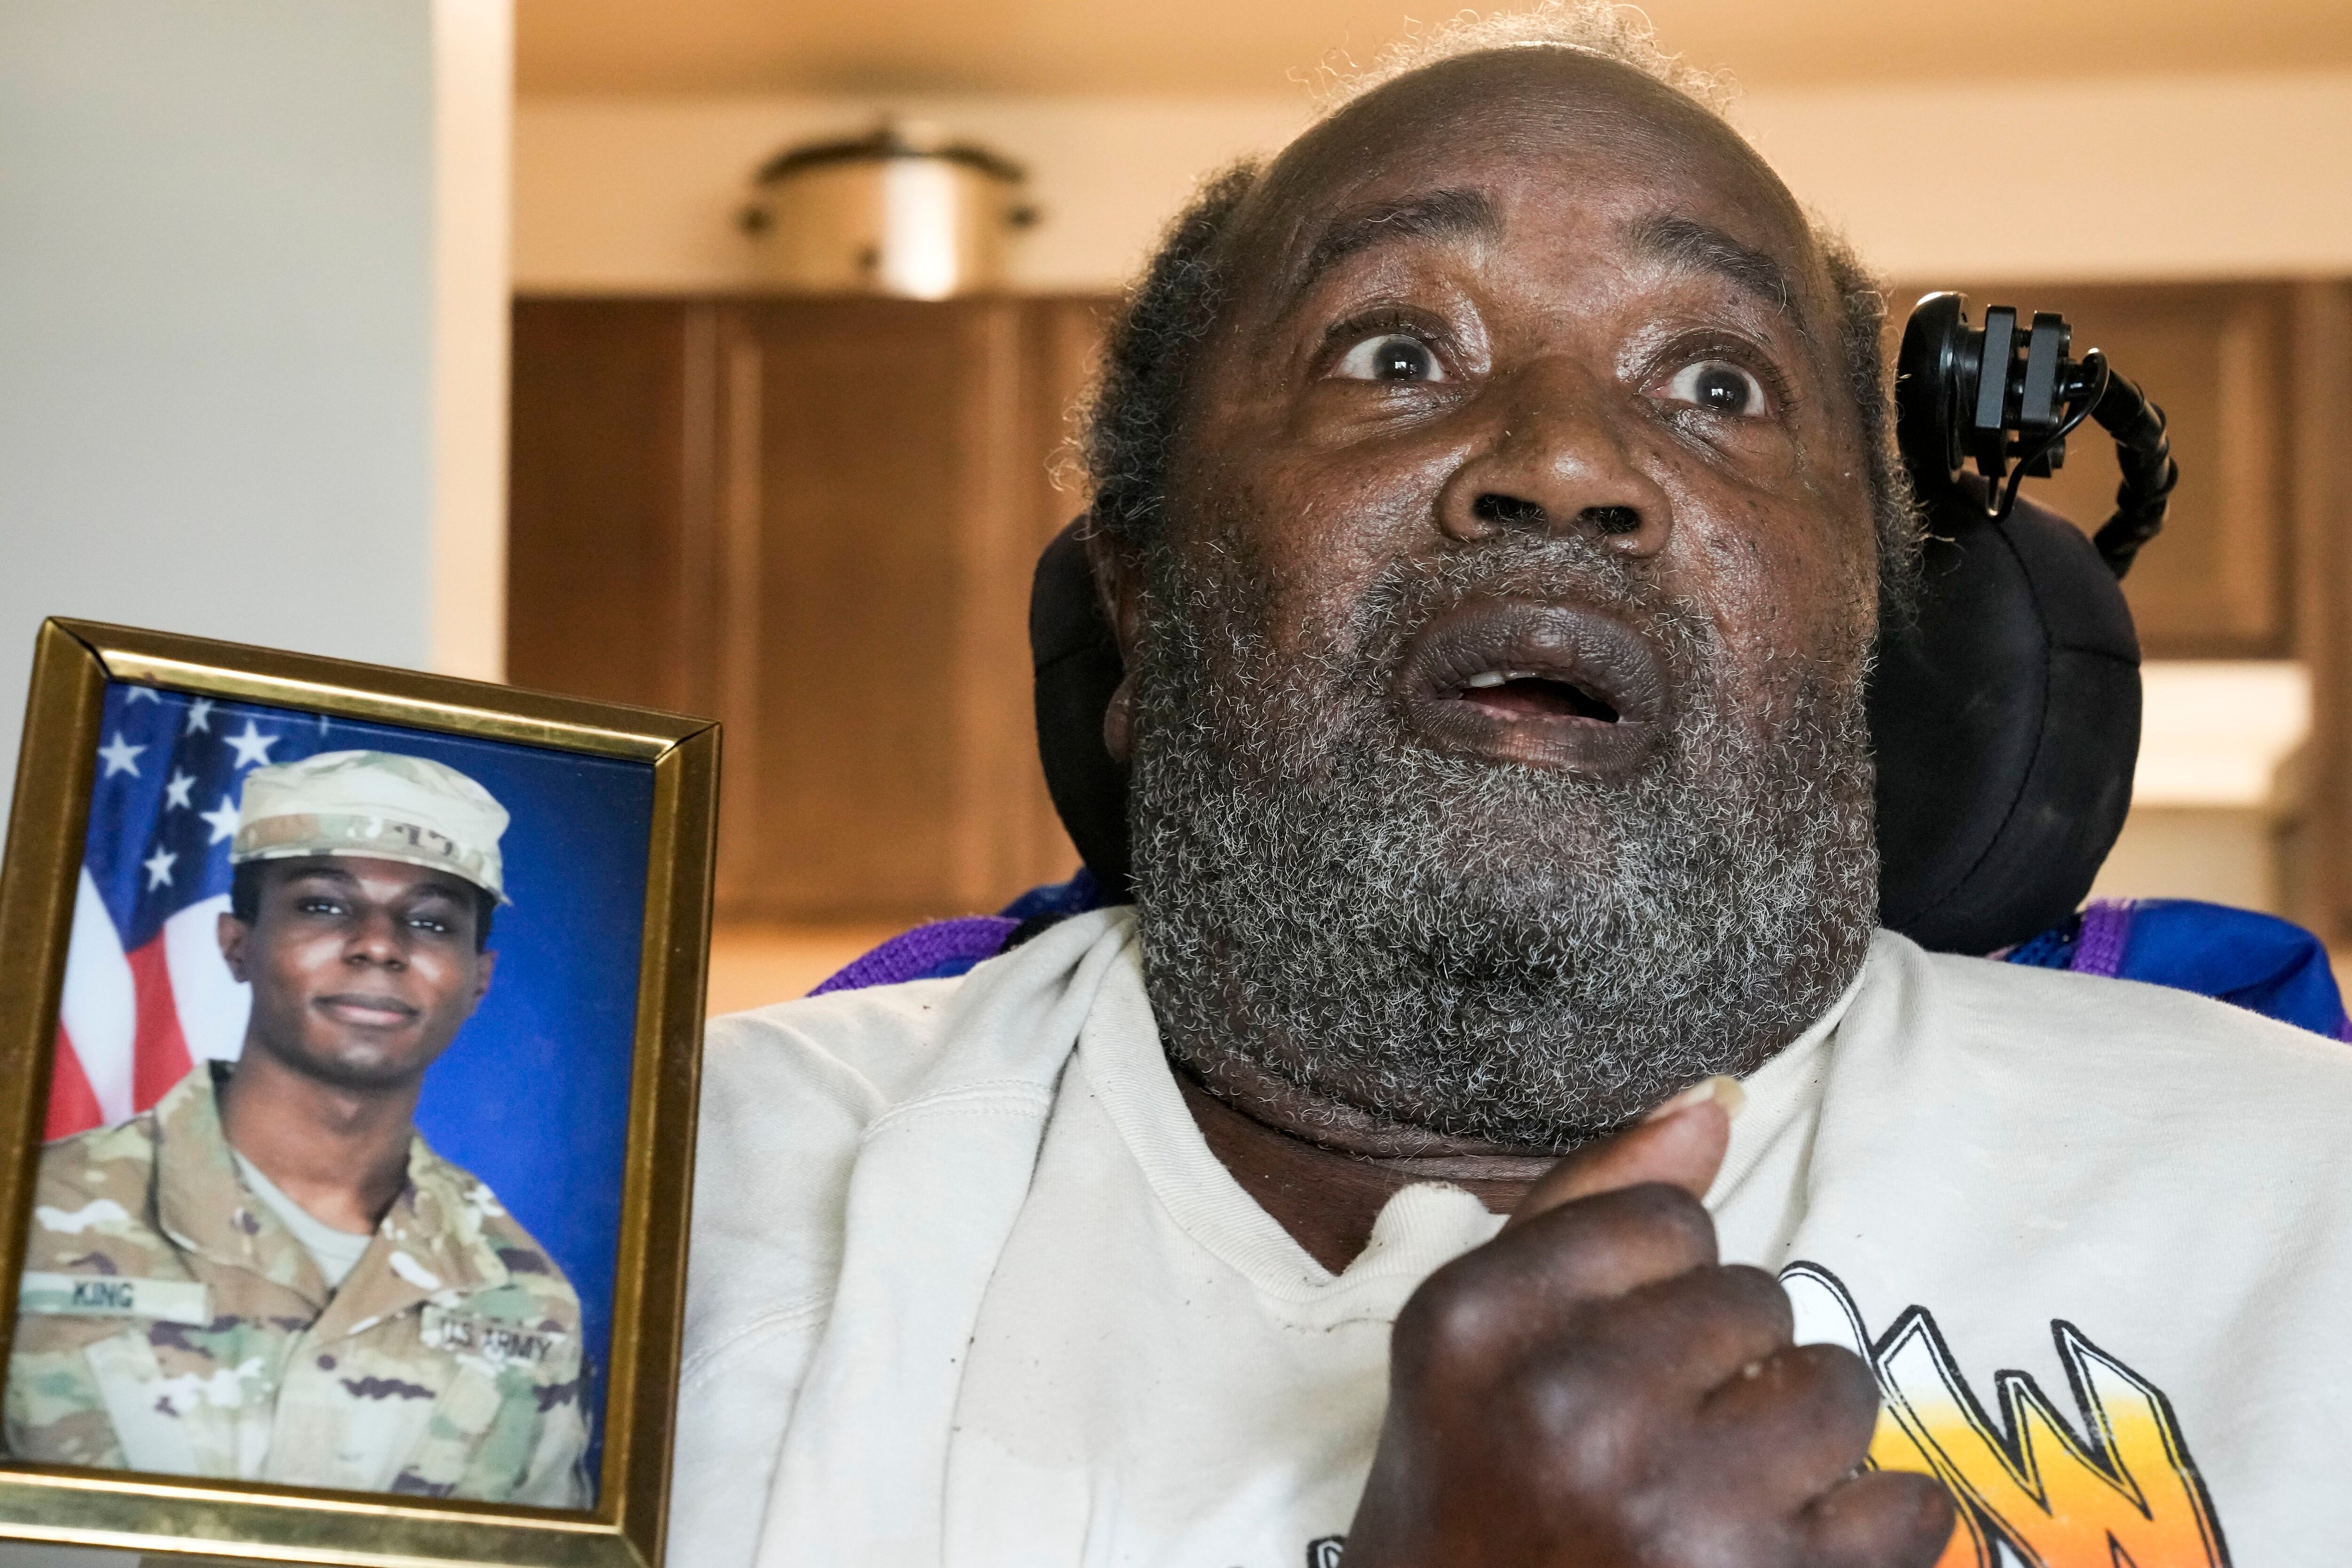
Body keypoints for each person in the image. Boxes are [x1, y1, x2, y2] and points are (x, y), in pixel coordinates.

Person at [672, 9, 2352, 1567]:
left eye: (1716, 382)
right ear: (1137, 589)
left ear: (1874, 630)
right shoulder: (663, 1204)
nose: (1561, 461)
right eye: (1397, 353)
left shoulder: (2302, 1203)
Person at [6, 751, 590, 1505]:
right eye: (324, 904)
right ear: (236, 943)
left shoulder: (528, 1298)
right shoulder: (28, 1217)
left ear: (478, 978)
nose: (380, 943)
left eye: (430, 920)